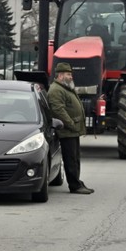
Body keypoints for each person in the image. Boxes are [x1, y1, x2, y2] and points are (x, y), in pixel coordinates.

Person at [47, 62, 93, 194]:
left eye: (71, 74)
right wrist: (71, 124)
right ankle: (74, 185)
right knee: (70, 159)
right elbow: (58, 110)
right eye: (68, 74)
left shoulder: (65, 88)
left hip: (72, 130)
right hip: (66, 130)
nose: (71, 77)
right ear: (60, 75)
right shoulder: (56, 90)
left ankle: (77, 182)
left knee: (75, 158)